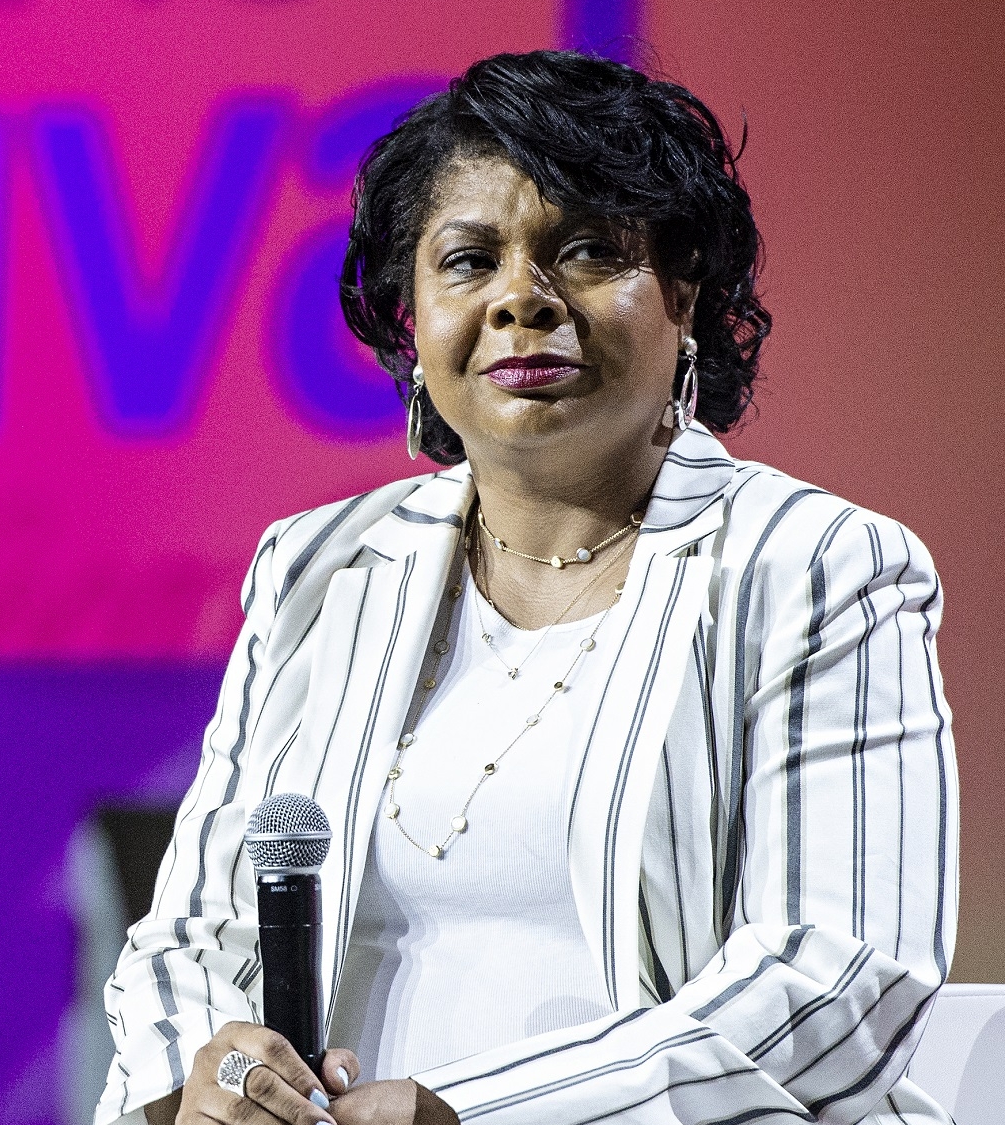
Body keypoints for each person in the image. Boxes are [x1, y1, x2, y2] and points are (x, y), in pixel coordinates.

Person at [95, 50, 958, 1125]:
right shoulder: (318, 568)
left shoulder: (815, 568)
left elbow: (832, 986)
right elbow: (188, 937)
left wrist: (461, 1113)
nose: (520, 300)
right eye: (466, 261)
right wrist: (206, 1083)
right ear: (409, 318)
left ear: (680, 292)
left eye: (587, 251)